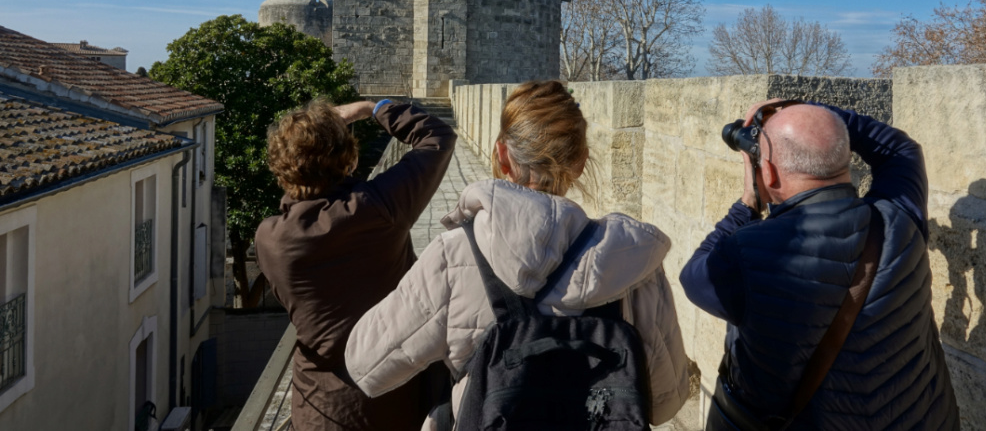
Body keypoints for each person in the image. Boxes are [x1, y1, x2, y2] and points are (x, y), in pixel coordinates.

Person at [344, 80, 690, 429]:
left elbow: (365, 364)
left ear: (503, 156)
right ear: (582, 162)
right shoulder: (634, 265)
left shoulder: (455, 256)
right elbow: (665, 402)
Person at [680, 99, 960, 430]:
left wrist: (747, 204)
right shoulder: (900, 219)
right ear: (844, 155)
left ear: (766, 171)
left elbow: (694, 276)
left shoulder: (746, 253)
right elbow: (899, 149)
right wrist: (806, 111)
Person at [255, 97, 456, 431]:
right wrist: (371, 107)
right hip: (394, 394)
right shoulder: (378, 207)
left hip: (320, 405)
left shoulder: (269, 238)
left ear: (281, 167)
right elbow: (437, 136)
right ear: (348, 160)